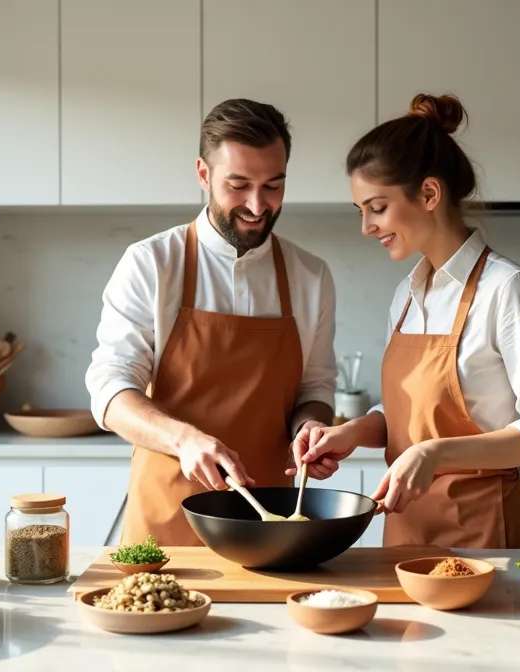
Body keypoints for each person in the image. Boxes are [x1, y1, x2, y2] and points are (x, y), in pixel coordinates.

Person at [290, 93, 520, 549]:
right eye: (361, 211)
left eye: (377, 208)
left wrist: (436, 453)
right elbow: (409, 415)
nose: (366, 227)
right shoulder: (407, 295)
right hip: (406, 533)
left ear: (428, 194)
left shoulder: (507, 288)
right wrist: (351, 433)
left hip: (484, 536)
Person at [86, 98, 338, 546]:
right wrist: (183, 440)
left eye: (273, 186)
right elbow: (110, 390)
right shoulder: (152, 264)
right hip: (166, 522)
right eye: (238, 185)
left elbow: (315, 389)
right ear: (203, 174)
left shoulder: (310, 276)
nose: (257, 205)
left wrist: (310, 429)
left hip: (272, 525)